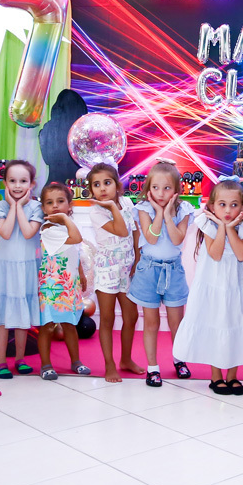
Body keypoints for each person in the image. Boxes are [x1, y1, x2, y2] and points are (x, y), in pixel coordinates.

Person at [173, 177, 243, 395]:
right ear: (211, 206)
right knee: (215, 321)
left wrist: (230, 228)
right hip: (213, 283)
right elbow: (216, 253)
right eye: (222, 204)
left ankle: (233, 376)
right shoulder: (207, 223)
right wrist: (221, 227)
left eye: (234, 205)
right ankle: (216, 376)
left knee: (235, 322)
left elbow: (241, 254)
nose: (228, 210)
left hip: (237, 285)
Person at [128, 160, 194, 387]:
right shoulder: (143, 209)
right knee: (151, 322)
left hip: (173, 270)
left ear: (176, 190)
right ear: (148, 188)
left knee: (177, 322)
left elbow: (176, 239)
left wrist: (167, 215)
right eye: (155, 188)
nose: (160, 193)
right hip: (149, 270)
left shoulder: (184, 210)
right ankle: (153, 367)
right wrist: (158, 212)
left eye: (167, 188)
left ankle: (179, 359)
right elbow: (151, 238)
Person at [0, 160, 41, 379]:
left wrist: (20, 206)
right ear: (5, 183)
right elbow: (4, 232)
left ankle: (20, 359)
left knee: (22, 316)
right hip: (4, 269)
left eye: (23, 181)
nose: (17, 186)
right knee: (3, 317)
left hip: (26, 269)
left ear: (31, 184)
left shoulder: (36, 208)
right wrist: (14, 206)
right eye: (12, 181)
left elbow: (28, 232)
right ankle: (1, 361)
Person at [86, 163, 144, 382]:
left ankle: (126, 359)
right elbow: (120, 230)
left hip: (127, 268)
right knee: (107, 318)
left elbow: (134, 231)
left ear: (118, 185)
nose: (102, 188)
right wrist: (111, 207)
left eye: (107, 183)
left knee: (131, 316)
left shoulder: (127, 202)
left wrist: (137, 258)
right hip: (107, 269)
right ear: (91, 189)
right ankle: (109, 364)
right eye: (96, 185)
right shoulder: (96, 211)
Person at [36, 182, 90, 380]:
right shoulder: (48, 228)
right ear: (44, 208)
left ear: (69, 204)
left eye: (60, 201)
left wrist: (81, 274)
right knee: (48, 325)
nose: (55, 206)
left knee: (69, 324)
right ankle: (45, 364)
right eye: (49, 203)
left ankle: (76, 361)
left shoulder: (67, 225)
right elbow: (76, 239)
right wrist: (66, 219)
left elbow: (74, 251)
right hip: (51, 286)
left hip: (68, 285)